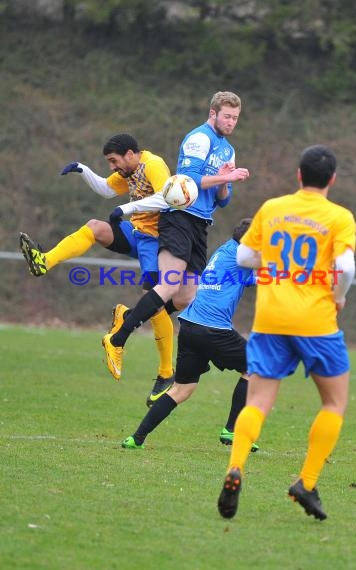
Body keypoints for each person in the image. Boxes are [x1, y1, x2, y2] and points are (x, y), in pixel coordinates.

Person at [217, 145, 356, 521]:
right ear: (332, 180)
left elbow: (245, 257)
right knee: (334, 403)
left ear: (298, 175)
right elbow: (344, 268)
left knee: (257, 402)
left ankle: (236, 468)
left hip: (271, 319)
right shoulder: (339, 217)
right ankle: (306, 483)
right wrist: (338, 298)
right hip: (316, 322)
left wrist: (277, 263)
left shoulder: (273, 208)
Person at [102, 91, 250, 381]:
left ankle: (127, 316)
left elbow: (223, 200)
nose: (231, 122)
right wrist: (225, 178)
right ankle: (117, 339)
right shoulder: (199, 138)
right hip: (179, 217)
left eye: (235, 118)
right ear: (213, 114)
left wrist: (224, 181)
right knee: (169, 286)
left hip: (200, 224)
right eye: (227, 116)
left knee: (185, 297)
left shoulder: (227, 150)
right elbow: (186, 181)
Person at [19, 133, 175, 405]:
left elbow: (167, 198)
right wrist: (82, 169)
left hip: (157, 240)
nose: (113, 167)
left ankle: (166, 373)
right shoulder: (128, 171)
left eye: (114, 161)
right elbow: (105, 188)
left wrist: (125, 208)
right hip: (137, 232)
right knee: (94, 227)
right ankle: (44, 261)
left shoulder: (153, 164)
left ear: (130, 154)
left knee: (155, 299)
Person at [118, 218, 259, 452]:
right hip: (213, 330)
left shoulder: (226, 251)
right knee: (255, 367)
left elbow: (253, 279)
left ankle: (136, 438)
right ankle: (232, 430)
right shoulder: (242, 257)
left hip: (189, 328)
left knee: (181, 390)